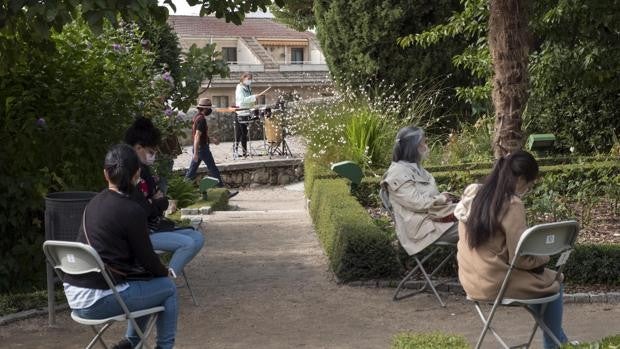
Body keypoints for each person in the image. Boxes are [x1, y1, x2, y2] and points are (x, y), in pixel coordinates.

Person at [63, 144, 177, 349]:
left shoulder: (93, 203)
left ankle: (130, 344)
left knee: (150, 288)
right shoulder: (132, 210)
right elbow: (148, 260)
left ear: (106, 174)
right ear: (137, 174)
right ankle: (162, 346)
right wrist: (164, 272)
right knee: (167, 288)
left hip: (74, 296)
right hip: (96, 302)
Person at [454, 150, 572, 349]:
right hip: (496, 282)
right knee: (554, 281)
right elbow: (520, 258)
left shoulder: (474, 193)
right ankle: (555, 343)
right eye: (530, 184)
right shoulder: (511, 203)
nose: (529, 188)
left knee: (539, 282)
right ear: (520, 179)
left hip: (471, 279)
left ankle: (559, 341)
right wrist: (544, 258)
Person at [125, 117, 205, 277]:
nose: (153, 156)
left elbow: (161, 202)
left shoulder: (145, 170)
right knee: (188, 243)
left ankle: (165, 276)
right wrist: (155, 201)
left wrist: (154, 201)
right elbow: (143, 208)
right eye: (151, 151)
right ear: (138, 147)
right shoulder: (130, 172)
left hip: (155, 226)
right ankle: (165, 279)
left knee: (197, 238)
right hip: (142, 233)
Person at [381, 126, 459, 256]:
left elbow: (428, 199)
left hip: (436, 221)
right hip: (424, 230)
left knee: (481, 217)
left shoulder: (418, 169)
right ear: (413, 146)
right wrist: (441, 198)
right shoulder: (397, 173)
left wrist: (444, 198)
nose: (427, 146)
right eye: (424, 142)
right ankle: (482, 273)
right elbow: (418, 203)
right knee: (479, 227)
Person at [185, 98, 238, 197]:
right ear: (205, 109)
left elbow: (201, 135)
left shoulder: (196, 117)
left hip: (200, 148)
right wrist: (196, 153)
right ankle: (224, 192)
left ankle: (182, 191)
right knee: (213, 169)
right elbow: (197, 136)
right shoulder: (201, 120)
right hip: (202, 149)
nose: (210, 110)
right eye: (209, 108)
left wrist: (211, 140)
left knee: (191, 172)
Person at [234, 72, 268, 157]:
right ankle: (236, 150)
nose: (249, 81)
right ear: (243, 78)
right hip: (241, 112)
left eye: (250, 79)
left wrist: (254, 101)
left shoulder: (248, 87)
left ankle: (244, 152)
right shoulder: (239, 88)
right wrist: (254, 97)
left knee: (244, 133)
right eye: (248, 79)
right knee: (239, 134)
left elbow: (250, 100)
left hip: (247, 111)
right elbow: (242, 100)